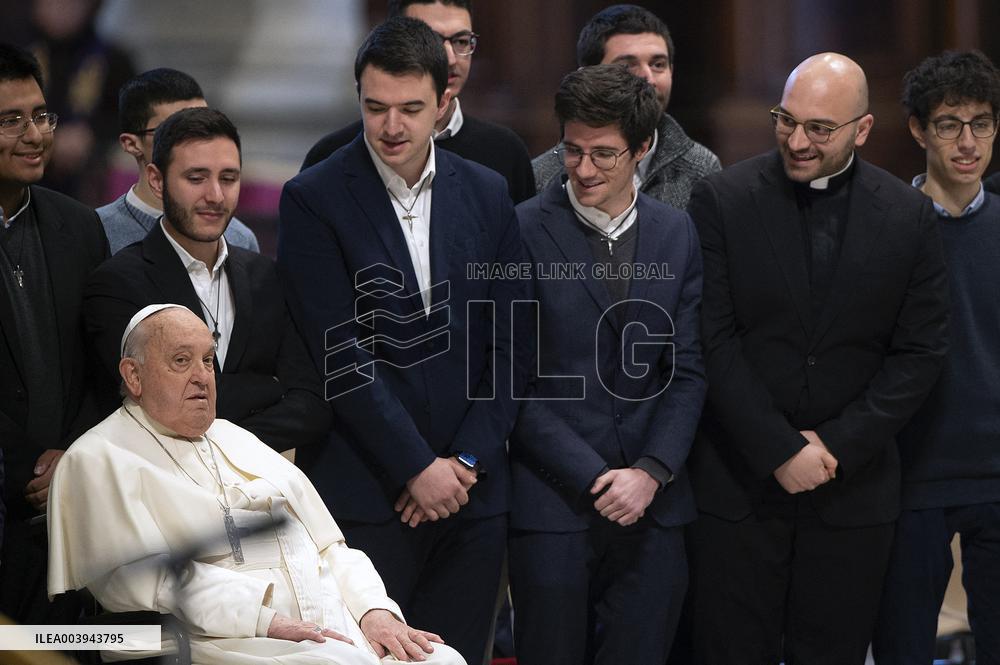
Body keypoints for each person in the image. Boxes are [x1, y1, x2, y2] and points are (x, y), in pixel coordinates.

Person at [686, 52, 949, 665]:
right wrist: (780, 450)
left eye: (820, 129)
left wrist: (833, 448)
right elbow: (712, 339)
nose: (797, 141)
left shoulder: (908, 216)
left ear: (862, 129)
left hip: (850, 492)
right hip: (738, 490)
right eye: (786, 120)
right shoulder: (722, 198)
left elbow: (920, 352)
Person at [278, 17, 524, 665]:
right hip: (366, 493)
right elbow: (339, 351)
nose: (391, 126)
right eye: (375, 107)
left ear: (443, 102)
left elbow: (512, 340)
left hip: (471, 500)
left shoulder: (487, 191)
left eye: (411, 109)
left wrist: (465, 461)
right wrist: (417, 467)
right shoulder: (314, 197)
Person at [47, 304, 466, 665]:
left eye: (208, 361)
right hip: (214, 642)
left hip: (324, 629)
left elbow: (330, 547)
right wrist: (266, 618)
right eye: (181, 361)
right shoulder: (98, 457)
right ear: (133, 376)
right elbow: (139, 581)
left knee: (441, 658)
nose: (202, 376)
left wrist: (374, 611)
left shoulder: (236, 437)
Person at [509, 64, 705, 665]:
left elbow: (689, 369)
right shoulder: (518, 230)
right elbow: (510, 382)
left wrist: (650, 471)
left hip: (655, 506)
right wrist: (596, 474)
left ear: (643, 149)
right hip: (554, 506)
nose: (584, 169)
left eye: (604, 154)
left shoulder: (678, 233)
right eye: (572, 150)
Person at [85, 107, 329, 452]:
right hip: (159, 488)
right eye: (196, 178)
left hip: (254, 491)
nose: (215, 195)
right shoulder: (118, 283)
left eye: (228, 178)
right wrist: (268, 388)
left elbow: (310, 404)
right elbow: (156, 406)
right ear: (157, 180)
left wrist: (226, 446)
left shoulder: (266, 277)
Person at [872, 50, 1000, 664]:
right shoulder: (887, 227)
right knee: (902, 648)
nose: (968, 141)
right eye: (950, 123)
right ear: (920, 130)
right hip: (911, 472)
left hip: (998, 472)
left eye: (982, 122)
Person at [0, 42, 109, 623]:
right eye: (11, 120)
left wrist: (75, 456)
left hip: (73, 509)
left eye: (41, 115)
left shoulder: (78, 225)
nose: (35, 134)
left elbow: (103, 363)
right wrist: (27, 468)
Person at [300, 0, 535, 204]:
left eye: (461, 41)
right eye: (429, 39)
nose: (450, 58)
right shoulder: (329, 157)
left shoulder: (505, 152)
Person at [532, 4, 720, 210]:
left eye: (658, 64)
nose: (648, 78)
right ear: (589, 75)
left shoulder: (701, 168)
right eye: (627, 66)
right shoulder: (541, 176)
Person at [97, 67, 258, 254]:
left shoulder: (239, 238)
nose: (197, 143)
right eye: (174, 130)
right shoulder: (97, 234)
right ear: (131, 144)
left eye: (204, 124)